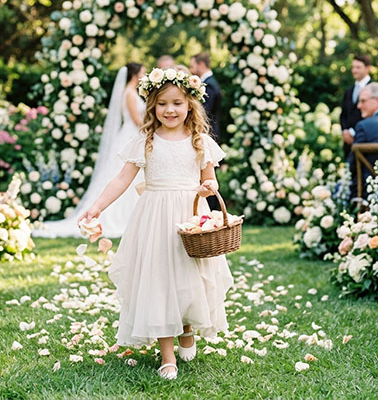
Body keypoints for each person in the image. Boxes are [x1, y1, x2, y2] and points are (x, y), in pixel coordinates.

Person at [79, 66, 233, 380]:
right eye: (162, 103)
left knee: (190, 279)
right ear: (152, 106)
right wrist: (95, 207)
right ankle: (167, 355)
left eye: (177, 102)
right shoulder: (146, 140)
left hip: (190, 214)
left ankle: (186, 328)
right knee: (160, 280)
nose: (169, 110)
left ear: (190, 103)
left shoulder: (199, 141)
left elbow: (210, 179)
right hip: (154, 217)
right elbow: (121, 180)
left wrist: (208, 189)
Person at [34, 63, 146, 238]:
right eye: (142, 73)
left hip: (133, 136)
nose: (143, 76)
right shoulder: (130, 94)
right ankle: (119, 216)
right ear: (135, 75)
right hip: (132, 136)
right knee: (125, 175)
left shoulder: (130, 92)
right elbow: (136, 119)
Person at [346, 82, 378, 193]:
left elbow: (352, 165)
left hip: (369, 191)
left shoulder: (364, 126)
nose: (359, 106)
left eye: (363, 101)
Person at [339, 54, 373, 157]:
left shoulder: (374, 89)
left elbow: (372, 114)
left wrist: (353, 132)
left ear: (367, 68)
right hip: (348, 145)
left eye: (358, 67)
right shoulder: (349, 91)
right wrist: (345, 131)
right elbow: (343, 114)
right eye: (353, 67)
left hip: (365, 141)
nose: (354, 70)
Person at [189, 53, 222, 142]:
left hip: (208, 134)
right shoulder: (209, 82)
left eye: (192, 66)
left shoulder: (209, 85)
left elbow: (205, 111)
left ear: (201, 65)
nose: (190, 70)